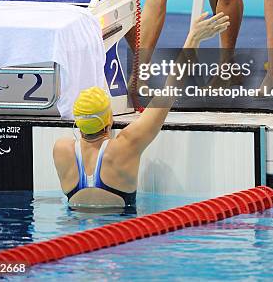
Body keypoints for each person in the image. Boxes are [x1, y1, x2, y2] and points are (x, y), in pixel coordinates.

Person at [53, 11, 230, 209]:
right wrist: (193, 38)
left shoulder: (61, 150)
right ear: (108, 120)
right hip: (121, 233)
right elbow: (169, 90)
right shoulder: (126, 146)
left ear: (77, 121)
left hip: (76, 236)